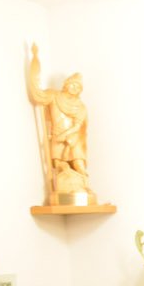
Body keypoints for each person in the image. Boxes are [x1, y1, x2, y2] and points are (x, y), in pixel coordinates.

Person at [25, 44, 93, 203]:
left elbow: (78, 126)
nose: (74, 88)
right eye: (72, 84)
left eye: (78, 86)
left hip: (74, 139)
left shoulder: (81, 107)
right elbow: (38, 95)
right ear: (66, 84)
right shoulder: (54, 96)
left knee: (78, 163)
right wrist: (35, 65)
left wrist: (67, 136)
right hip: (56, 137)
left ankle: (83, 184)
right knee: (60, 165)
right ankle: (65, 178)